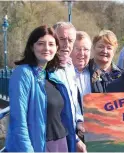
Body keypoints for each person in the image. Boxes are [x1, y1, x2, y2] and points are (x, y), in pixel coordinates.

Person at [5, 25, 77, 152]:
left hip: (61, 143)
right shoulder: (23, 73)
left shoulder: (52, 76)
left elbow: (61, 116)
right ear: (32, 47)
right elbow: (18, 120)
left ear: (56, 48)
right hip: (40, 145)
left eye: (51, 44)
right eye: (41, 43)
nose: (46, 48)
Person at [54, 22, 86, 151]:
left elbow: (72, 101)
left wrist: (79, 121)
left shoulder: (70, 67)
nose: (66, 45)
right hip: (56, 138)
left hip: (71, 135)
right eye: (62, 39)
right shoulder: (47, 70)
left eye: (70, 40)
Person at [70, 31, 92, 98]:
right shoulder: (63, 74)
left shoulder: (95, 72)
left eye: (86, 49)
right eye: (78, 49)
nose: (82, 53)